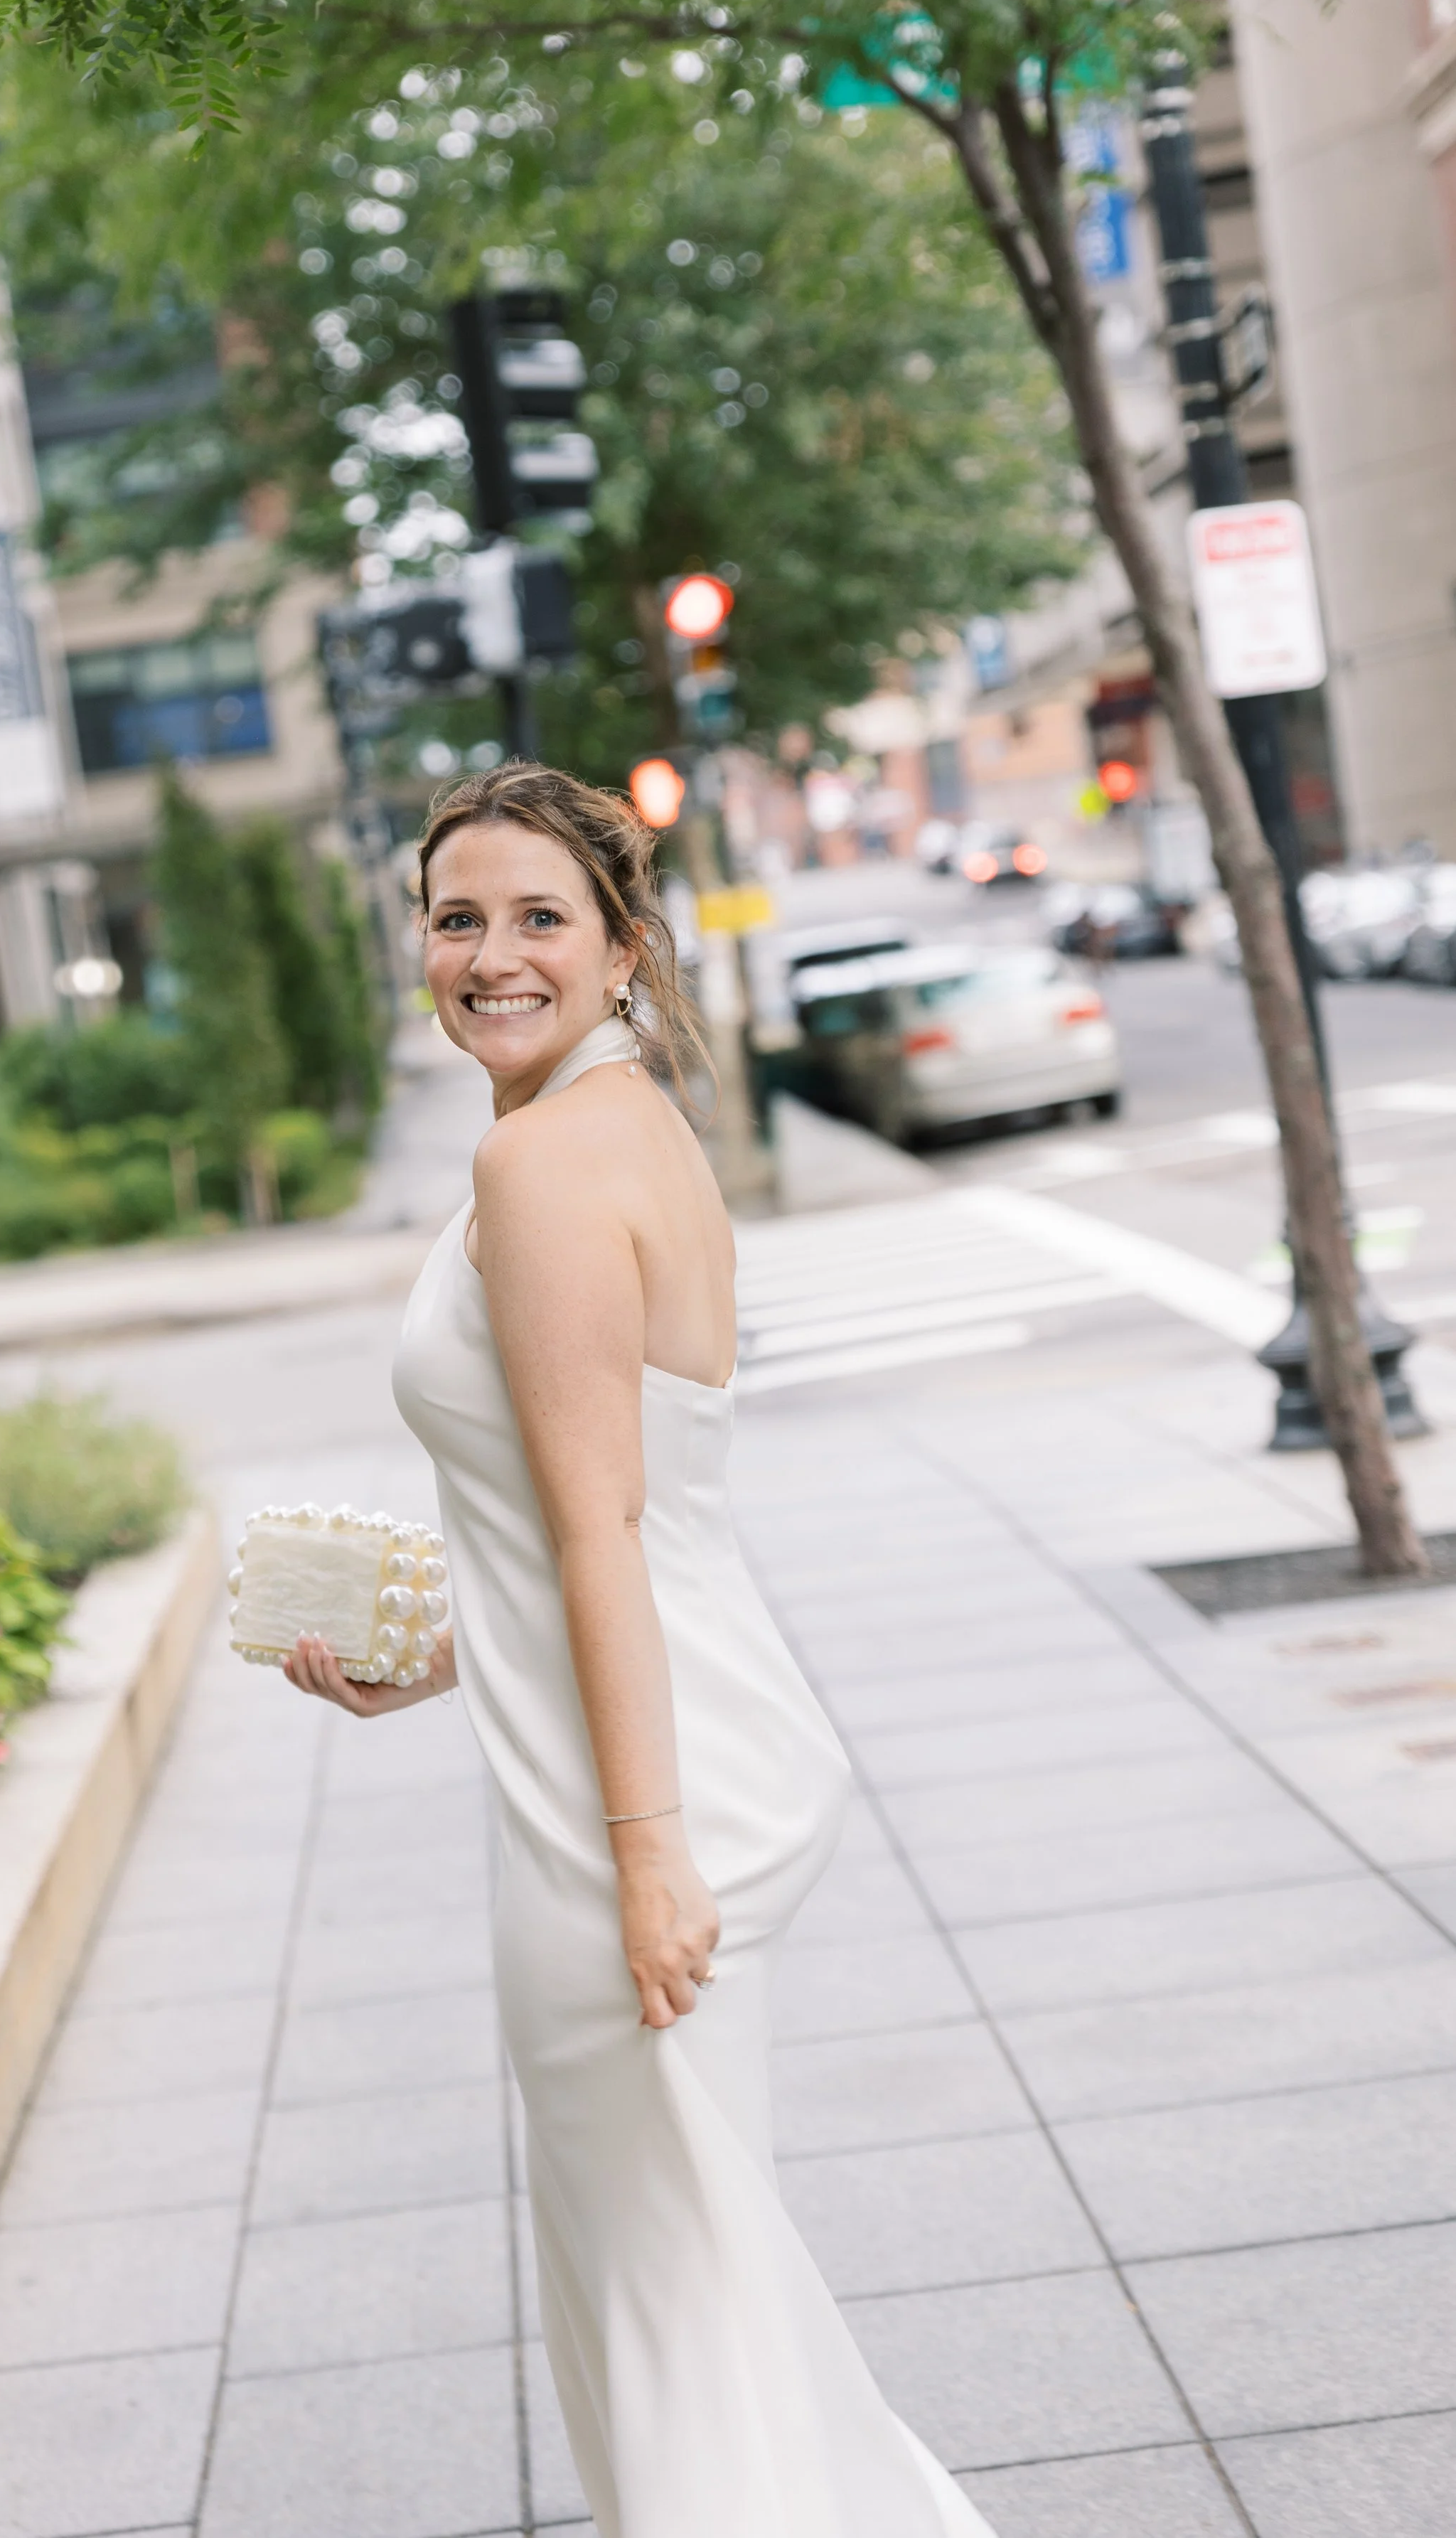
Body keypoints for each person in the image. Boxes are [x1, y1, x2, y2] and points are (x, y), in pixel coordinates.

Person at [282, 764, 995, 2537]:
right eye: (459, 917)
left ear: (621, 948)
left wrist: (641, 1858)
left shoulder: (540, 1164)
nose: (492, 954)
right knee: (688, 2283)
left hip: (630, 1802)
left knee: (674, 2305)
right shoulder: (624, 1119)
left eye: (541, 918)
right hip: (666, 1751)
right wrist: (427, 1654)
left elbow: (602, 1529)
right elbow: (605, 1508)